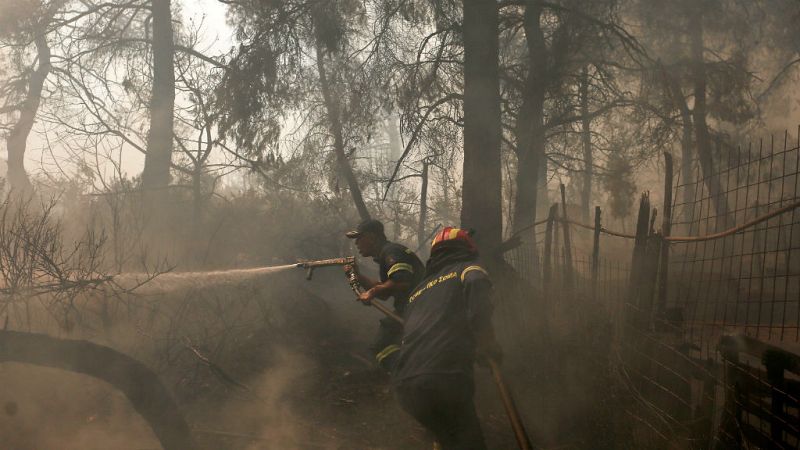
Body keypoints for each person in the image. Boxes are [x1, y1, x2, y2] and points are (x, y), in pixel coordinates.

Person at [391, 227, 502, 450]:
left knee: (447, 438)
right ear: (468, 249)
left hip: (405, 385)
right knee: (469, 443)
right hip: (444, 377)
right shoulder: (468, 269)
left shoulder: (418, 292)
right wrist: (488, 345)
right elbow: (477, 294)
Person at [345, 218, 424, 370]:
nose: (356, 244)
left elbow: (402, 281)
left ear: (372, 237)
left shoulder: (391, 252)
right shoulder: (386, 254)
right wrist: (358, 277)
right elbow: (386, 292)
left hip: (416, 308)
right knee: (383, 345)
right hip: (413, 308)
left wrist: (372, 292)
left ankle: (411, 376)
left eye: (359, 238)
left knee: (383, 345)